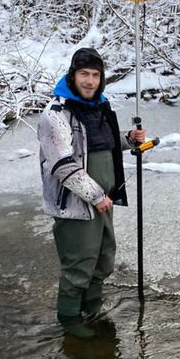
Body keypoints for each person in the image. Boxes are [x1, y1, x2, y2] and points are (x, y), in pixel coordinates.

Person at [37, 47, 147, 337]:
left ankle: (92, 306)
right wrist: (96, 196)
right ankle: (70, 318)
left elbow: (102, 144)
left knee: (103, 257)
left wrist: (128, 139)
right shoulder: (56, 114)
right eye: (83, 74)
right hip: (76, 204)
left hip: (103, 201)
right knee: (79, 263)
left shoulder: (99, 106)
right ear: (72, 76)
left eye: (95, 75)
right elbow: (62, 165)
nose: (89, 81)